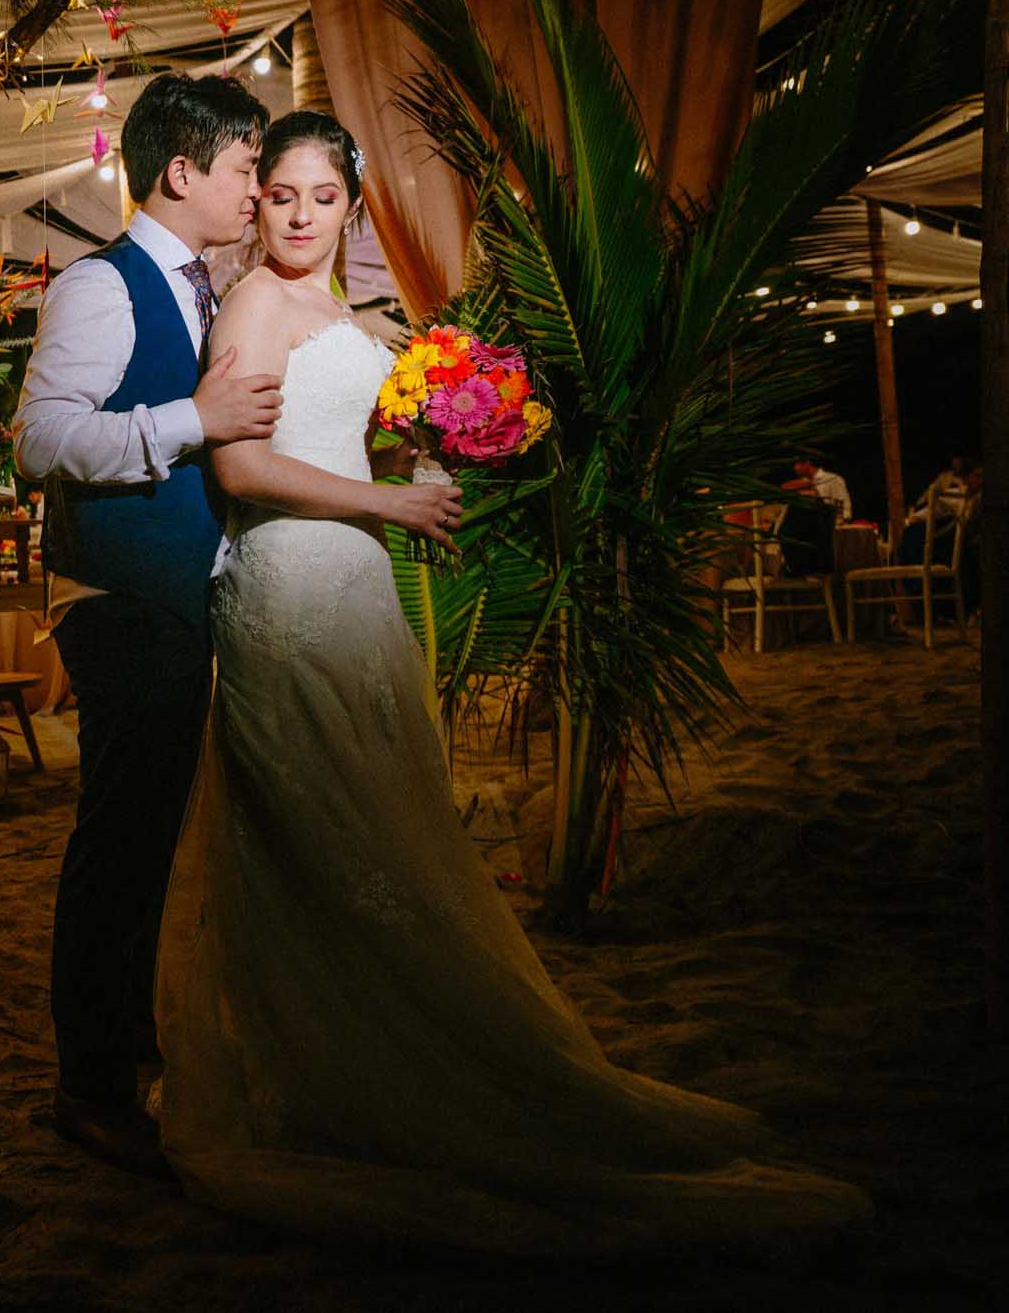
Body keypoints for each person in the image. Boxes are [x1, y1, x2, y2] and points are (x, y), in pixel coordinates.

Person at [150, 110, 871, 1255]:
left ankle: (397, 1057)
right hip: (288, 591)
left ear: (351, 206)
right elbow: (239, 467)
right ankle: (345, 1077)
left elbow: (339, 446)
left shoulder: (349, 315)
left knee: (386, 831)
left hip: (356, 588)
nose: (298, 216)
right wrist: (389, 500)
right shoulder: (251, 307)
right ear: (259, 202)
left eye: (321, 197)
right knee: (323, 840)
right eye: (279, 195)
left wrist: (429, 443)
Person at [13, 71, 283, 1176]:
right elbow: (40, 437)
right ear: (181, 170)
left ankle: (128, 1038)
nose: (257, 191)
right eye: (245, 169)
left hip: (175, 594)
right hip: (121, 599)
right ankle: (89, 1087)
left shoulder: (206, 288)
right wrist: (191, 417)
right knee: (120, 840)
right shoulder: (101, 283)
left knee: (154, 833)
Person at [785, 458, 853, 523]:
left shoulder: (832, 479)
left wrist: (840, 522)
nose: (794, 468)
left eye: (796, 464)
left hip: (830, 525)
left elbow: (844, 506)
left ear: (807, 463)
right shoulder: (801, 483)